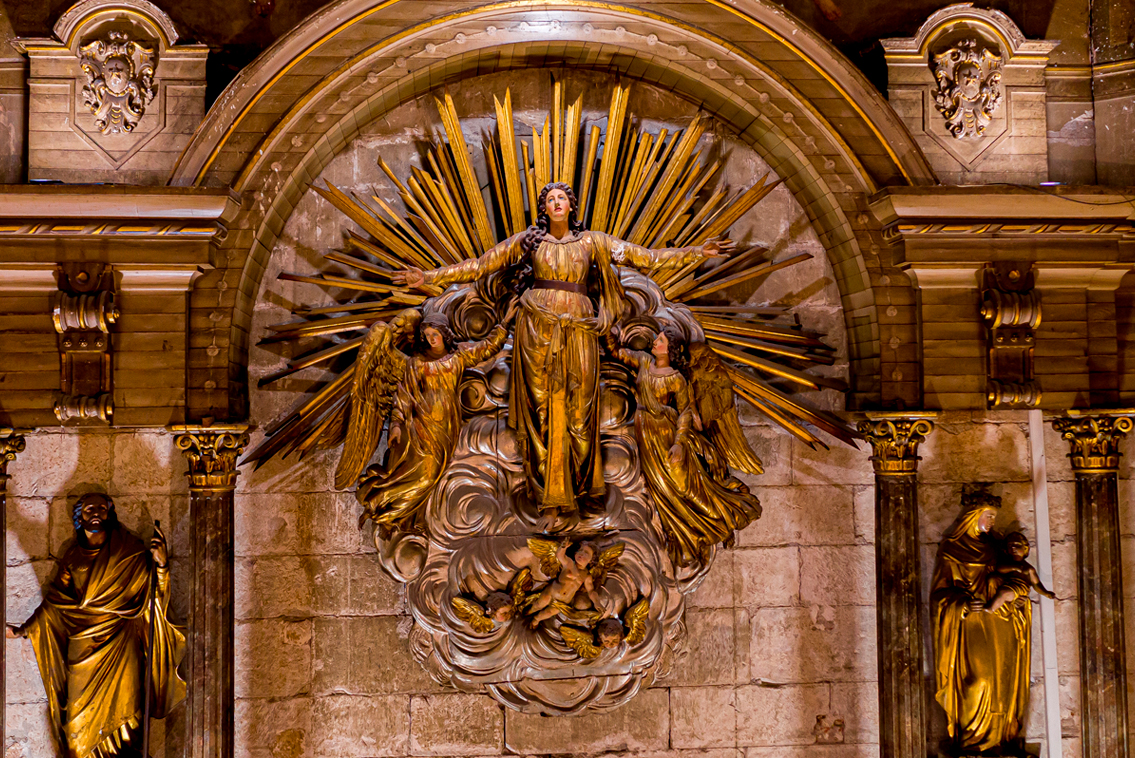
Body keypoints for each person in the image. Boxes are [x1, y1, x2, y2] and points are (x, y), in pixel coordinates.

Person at [394, 182, 732, 521]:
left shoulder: (592, 241)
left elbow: (644, 257)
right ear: (544, 209)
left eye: (562, 198)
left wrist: (697, 253)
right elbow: (480, 265)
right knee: (540, 411)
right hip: (536, 330)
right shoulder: (529, 242)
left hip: (580, 329)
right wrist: (428, 276)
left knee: (581, 411)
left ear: (571, 206)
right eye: (550, 199)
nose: (556, 203)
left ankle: (582, 491)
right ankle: (548, 496)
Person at [6, 493, 185, 758]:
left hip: (121, 645)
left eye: (102, 508)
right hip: (82, 649)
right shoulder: (73, 557)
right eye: (90, 509)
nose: (97, 514)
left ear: (110, 513)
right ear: (80, 516)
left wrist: (161, 565)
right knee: (76, 733)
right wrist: (23, 630)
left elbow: (153, 598)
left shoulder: (130, 551)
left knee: (126, 723)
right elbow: (55, 603)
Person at [607, 322, 761, 567]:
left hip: (667, 433)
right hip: (646, 433)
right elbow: (617, 352)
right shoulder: (644, 362)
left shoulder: (676, 379)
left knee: (684, 486)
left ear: (670, 350)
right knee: (662, 491)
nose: (655, 342)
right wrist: (610, 330)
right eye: (657, 339)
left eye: (660, 340)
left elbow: (685, 412)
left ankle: (722, 518)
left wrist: (679, 444)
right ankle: (685, 536)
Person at [357, 305, 515, 539]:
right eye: (427, 335)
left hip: (446, 428)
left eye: (435, 334)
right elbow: (404, 396)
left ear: (444, 334)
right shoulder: (416, 364)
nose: (431, 339)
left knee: (434, 478)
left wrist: (506, 320)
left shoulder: (459, 357)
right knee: (424, 476)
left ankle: (406, 517)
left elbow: (488, 348)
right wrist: (397, 425)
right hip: (419, 428)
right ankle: (385, 511)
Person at [930, 487, 1032, 755]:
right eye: (988, 516)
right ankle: (972, 742)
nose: (992, 522)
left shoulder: (998, 548)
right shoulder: (951, 549)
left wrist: (1018, 598)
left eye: (994, 517)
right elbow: (939, 594)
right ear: (972, 516)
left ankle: (999, 742)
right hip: (970, 624)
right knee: (978, 682)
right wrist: (962, 604)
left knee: (1001, 684)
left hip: (1001, 621)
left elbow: (1018, 580)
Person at [526, 541, 604, 627]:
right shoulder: (570, 563)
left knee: (548, 613)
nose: (581, 553)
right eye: (580, 550)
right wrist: (563, 548)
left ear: (591, 560)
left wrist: (597, 602)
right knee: (538, 605)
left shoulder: (586, 576)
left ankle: (536, 619)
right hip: (551, 592)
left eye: (586, 553)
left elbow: (591, 591)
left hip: (562, 603)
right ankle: (527, 612)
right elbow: (560, 556)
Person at [986, 532, 1056, 612]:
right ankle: (994, 605)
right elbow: (999, 569)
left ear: (1025, 548)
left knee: (1004, 593)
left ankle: (991, 608)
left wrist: (1046, 593)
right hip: (1008, 584)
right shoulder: (1007, 564)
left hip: (1019, 589)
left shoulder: (1029, 569)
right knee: (993, 580)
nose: (1013, 548)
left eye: (1017, 545)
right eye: (1010, 545)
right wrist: (1015, 567)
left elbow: (1036, 584)